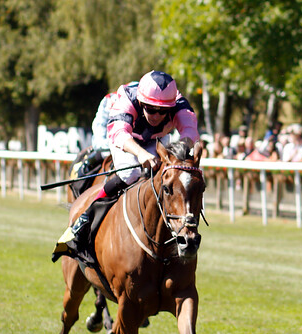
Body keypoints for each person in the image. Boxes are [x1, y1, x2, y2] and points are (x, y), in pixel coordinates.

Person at [57, 71, 199, 247]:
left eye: (163, 111)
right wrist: (140, 154)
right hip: (117, 125)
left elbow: (190, 132)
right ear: (140, 102)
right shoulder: (127, 99)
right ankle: (85, 217)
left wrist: (181, 152)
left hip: (151, 137)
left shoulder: (178, 104)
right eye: (151, 108)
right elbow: (119, 134)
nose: (156, 115)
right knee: (129, 171)